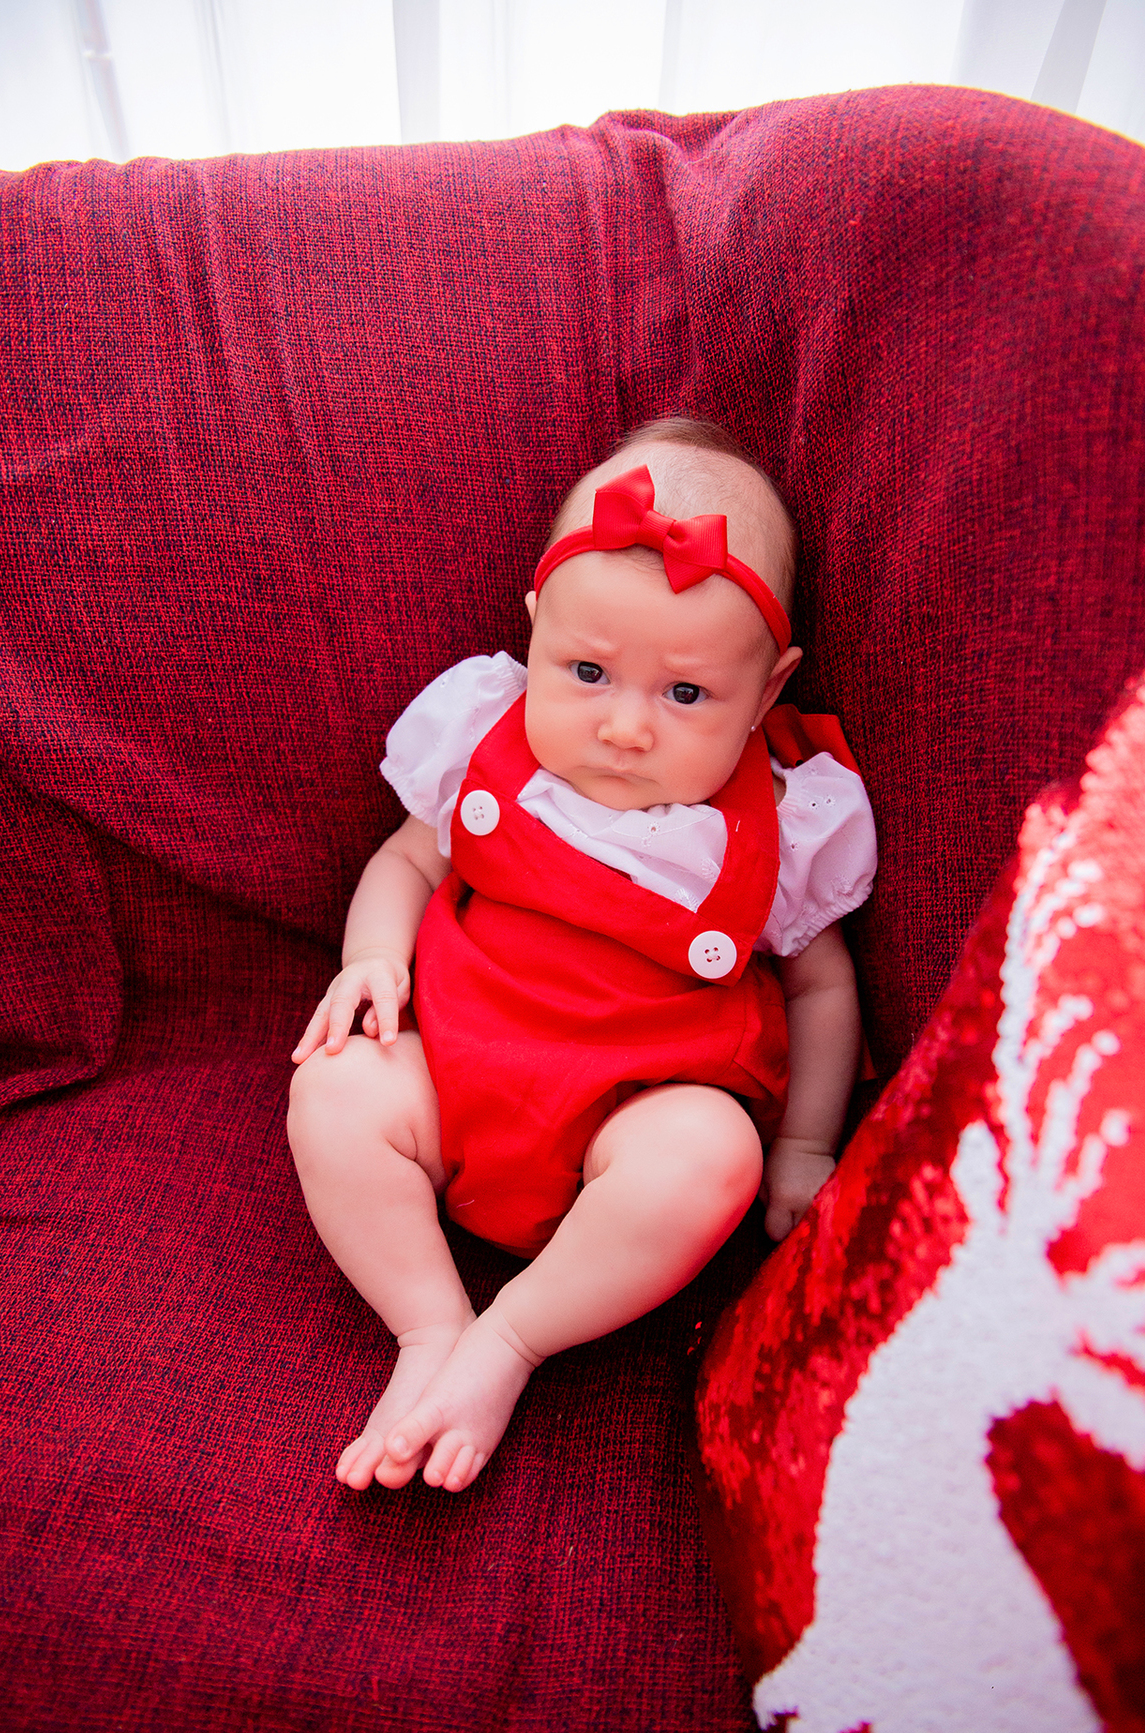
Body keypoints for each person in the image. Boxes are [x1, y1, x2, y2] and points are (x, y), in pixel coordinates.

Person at [287, 418, 877, 1495]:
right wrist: (369, 959)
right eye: (589, 671)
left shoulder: (784, 824)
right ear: (536, 634)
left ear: (767, 691)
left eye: (686, 694)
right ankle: (430, 1323)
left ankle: (511, 1339)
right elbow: (408, 860)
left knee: (712, 1157)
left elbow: (823, 984)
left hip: (629, 1125)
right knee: (332, 1089)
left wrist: (802, 1147)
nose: (626, 729)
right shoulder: (483, 739)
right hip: (450, 1083)